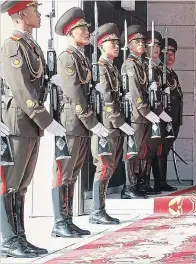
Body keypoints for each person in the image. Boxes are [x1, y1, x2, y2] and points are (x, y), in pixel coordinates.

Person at [0, 0, 68, 257]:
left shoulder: (32, 45)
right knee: (10, 182)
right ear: (20, 14)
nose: (38, 12)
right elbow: (20, 89)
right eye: (34, 9)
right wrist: (46, 119)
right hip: (18, 121)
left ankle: (19, 236)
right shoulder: (12, 46)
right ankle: (8, 238)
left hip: (29, 122)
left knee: (23, 182)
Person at [51, 7, 110, 238]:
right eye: (81, 29)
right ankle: (59, 222)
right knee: (64, 172)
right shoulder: (67, 56)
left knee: (73, 173)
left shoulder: (81, 57)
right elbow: (74, 93)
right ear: (69, 32)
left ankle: (67, 219)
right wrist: (91, 120)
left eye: (86, 28)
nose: (87, 32)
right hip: (72, 121)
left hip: (81, 124)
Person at [89, 23, 135, 224]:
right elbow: (107, 99)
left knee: (110, 167)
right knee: (104, 166)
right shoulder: (101, 69)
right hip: (106, 127)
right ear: (101, 45)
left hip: (114, 127)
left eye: (117, 42)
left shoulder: (112, 69)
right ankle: (96, 211)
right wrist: (119, 121)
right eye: (111, 42)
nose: (117, 46)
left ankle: (101, 209)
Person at [120, 25, 160, 199]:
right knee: (132, 151)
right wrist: (145, 110)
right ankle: (129, 187)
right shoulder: (130, 64)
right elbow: (135, 91)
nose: (142, 44)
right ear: (129, 45)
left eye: (143, 41)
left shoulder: (142, 64)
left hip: (143, 116)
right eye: (137, 42)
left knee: (142, 151)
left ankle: (139, 184)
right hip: (136, 115)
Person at [146, 30, 175, 192]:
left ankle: (156, 182)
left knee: (157, 149)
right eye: (153, 45)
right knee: (146, 152)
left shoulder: (157, 70)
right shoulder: (145, 67)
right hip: (148, 116)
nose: (156, 49)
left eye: (158, 45)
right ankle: (140, 184)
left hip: (161, 116)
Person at [156, 37, 183, 191]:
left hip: (173, 118)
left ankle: (162, 180)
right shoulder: (159, 71)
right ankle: (160, 181)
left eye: (173, 53)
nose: (170, 56)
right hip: (164, 118)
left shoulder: (172, 74)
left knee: (165, 150)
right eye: (167, 53)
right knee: (160, 150)